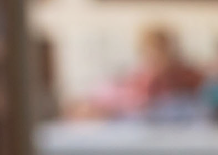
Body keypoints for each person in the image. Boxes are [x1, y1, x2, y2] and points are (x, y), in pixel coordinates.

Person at [70, 28, 203, 120]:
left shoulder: (189, 78)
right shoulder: (134, 79)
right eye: (151, 51)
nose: (156, 57)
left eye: (161, 49)